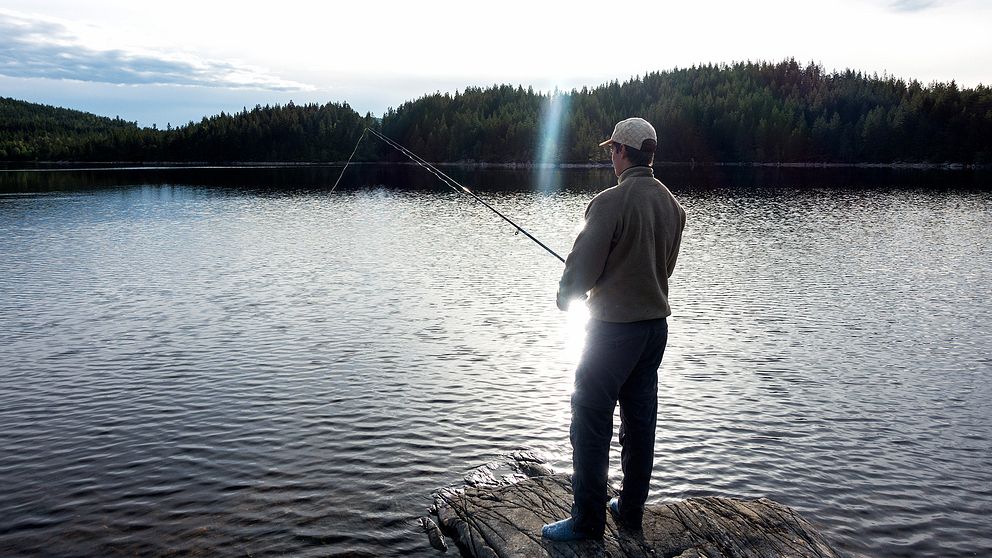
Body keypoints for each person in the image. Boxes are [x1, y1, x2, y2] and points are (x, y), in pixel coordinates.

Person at [542, 117, 686, 541]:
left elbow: (582, 268)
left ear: (623, 152)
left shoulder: (609, 202)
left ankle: (587, 522)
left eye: (612, 150)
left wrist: (568, 296)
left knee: (590, 419)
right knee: (640, 424)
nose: (610, 156)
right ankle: (630, 510)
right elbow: (665, 270)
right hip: (653, 330)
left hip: (611, 333)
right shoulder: (673, 207)